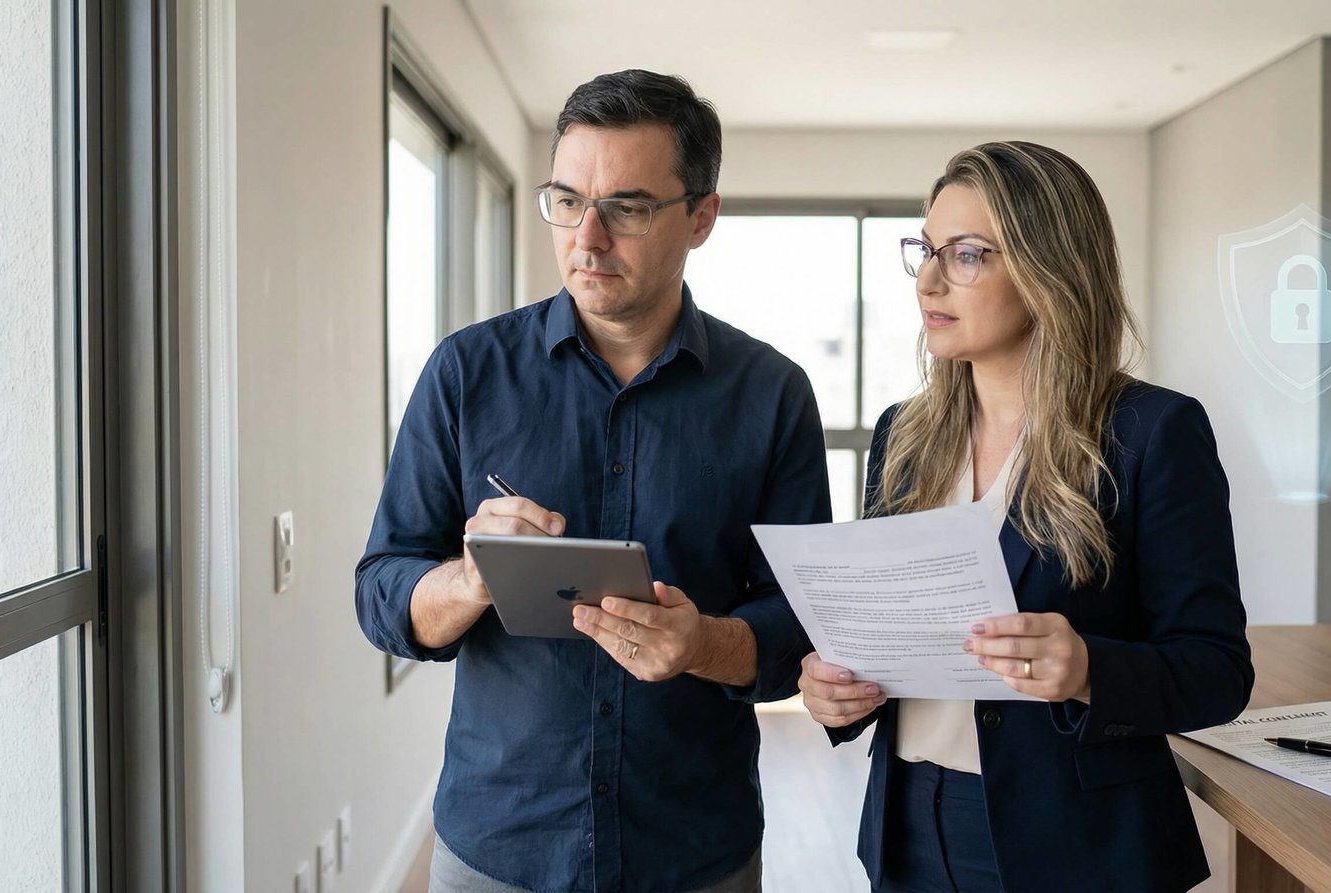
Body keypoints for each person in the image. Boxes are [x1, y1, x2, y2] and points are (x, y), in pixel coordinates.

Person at [355, 69, 830, 893]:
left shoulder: (773, 394)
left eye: (628, 208)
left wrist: (705, 644)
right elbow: (381, 595)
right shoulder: (465, 374)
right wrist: (471, 577)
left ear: (702, 216)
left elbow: (807, 627)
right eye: (567, 201)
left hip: (693, 851)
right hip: (500, 845)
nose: (588, 237)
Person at [797, 141, 1253, 892]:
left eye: (969, 253)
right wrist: (835, 692)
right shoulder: (902, 435)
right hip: (907, 826)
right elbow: (885, 636)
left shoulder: (1151, 432)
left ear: (1051, 269)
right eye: (926, 249)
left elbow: (1217, 670)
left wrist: (1087, 669)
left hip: (1077, 845)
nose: (930, 281)